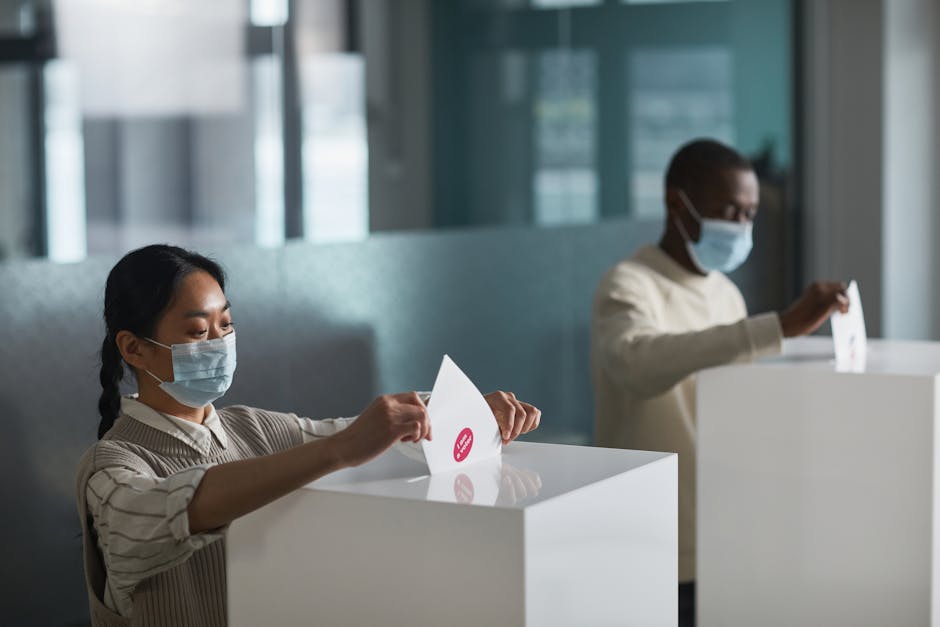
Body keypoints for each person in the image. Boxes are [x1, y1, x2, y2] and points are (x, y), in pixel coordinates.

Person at [76, 244, 541, 626]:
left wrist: (465, 411)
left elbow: (372, 435)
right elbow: (171, 508)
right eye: (198, 332)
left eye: (227, 326)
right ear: (134, 348)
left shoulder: (252, 428)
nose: (218, 345)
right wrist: (339, 451)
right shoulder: (111, 467)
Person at [590, 138, 848, 627]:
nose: (741, 226)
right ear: (675, 202)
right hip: (649, 538)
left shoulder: (725, 294)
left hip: (724, 536)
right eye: (729, 210)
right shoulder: (627, 285)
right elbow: (637, 363)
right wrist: (777, 328)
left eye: (750, 214)